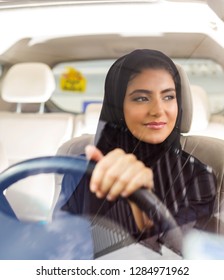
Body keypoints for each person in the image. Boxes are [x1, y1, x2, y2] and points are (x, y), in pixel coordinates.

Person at [61, 49, 217, 253]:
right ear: (117, 106)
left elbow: (182, 257)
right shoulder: (79, 167)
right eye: (142, 98)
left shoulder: (198, 177)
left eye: (168, 97)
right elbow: (60, 246)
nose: (158, 110)